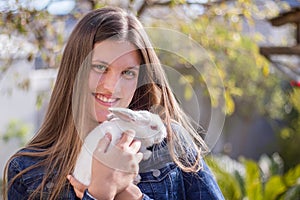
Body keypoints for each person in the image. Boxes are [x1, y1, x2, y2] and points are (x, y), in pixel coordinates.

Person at [2, 6, 224, 200]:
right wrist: (100, 193)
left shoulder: (171, 145)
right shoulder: (28, 172)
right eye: (100, 67)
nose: (112, 87)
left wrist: (131, 196)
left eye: (127, 72)